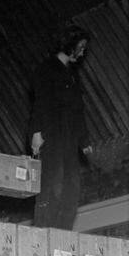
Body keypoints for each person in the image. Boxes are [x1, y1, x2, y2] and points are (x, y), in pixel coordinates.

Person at [28, 22, 94, 229]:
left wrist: (84, 140)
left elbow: (78, 109)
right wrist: (36, 133)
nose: (82, 53)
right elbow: (40, 102)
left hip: (69, 138)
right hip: (51, 133)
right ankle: (42, 232)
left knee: (71, 189)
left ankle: (62, 237)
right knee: (51, 185)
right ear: (69, 44)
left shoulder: (73, 75)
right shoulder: (46, 69)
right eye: (80, 47)